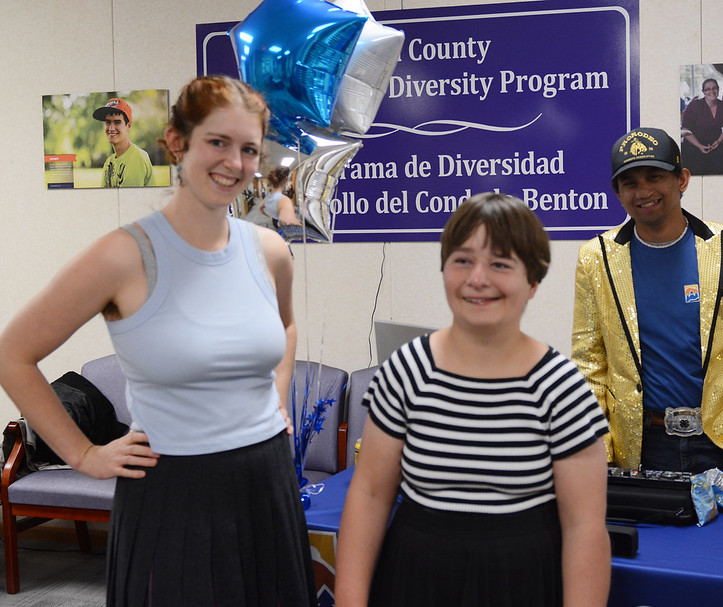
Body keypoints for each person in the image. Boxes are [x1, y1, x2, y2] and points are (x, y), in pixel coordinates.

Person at [0, 76, 316, 606]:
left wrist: (277, 399)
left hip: (266, 479)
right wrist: (83, 454)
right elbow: (13, 354)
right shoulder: (122, 257)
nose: (234, 163)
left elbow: (284, 328)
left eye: (249, 149)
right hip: (173, 489)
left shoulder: (269, 251)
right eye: (218, 142)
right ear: (176, 141)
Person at [336, 193, 611, 607]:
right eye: (462, 260)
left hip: (522, 581)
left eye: (500, 264)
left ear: (533, 282)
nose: (477, 278)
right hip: (416, 575)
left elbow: (584, 528)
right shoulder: (407, 370)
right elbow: (370, 495)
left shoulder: (560, 386)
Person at [572, 127, 723, 494]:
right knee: (649, 551)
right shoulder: (598, 258)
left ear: (682, 179)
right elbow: (589, 363)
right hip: (640, 446)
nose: (643, 191)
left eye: (655, 176)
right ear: (618, 192)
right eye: (629, 182)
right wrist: (600, 447)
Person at [92, 97, 156, 187]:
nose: (111, 128)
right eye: (108, 122)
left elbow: (127, 199)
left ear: (128, 126)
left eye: (117, 122)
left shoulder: (137, 157)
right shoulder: (109, 162)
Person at [681, 78, 723, 174]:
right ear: (703, 92)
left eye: (714, 88)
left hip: (715, 143)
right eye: (708, 89)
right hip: (694, 144)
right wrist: (699, 146)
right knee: (697, 169)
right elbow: (685, 130)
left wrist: (719, 141)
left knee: (719, 168)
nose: (712, 91)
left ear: (718, 89)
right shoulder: (694, 105)